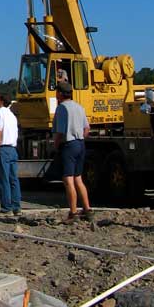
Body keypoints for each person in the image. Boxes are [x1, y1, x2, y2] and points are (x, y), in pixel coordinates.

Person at [53, 80, 92, 221]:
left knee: (68, 179)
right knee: (78, 178)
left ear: (61, 94)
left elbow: (60, 132)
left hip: (68, 144)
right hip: (80, 143)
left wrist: (56, 144)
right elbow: (87, 128)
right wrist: (81, 138)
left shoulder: (62, 108)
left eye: (57, 91)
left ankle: (73, 212)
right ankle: (87, 209)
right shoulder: (79, 107)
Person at [0, 93, 21, 216]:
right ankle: (16, 206)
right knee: (13, 179)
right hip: (13, 149)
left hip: (3, 148)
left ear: (1, 101)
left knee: (3, 179)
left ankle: (6, 208)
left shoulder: (0, 113)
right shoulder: (12, 116)